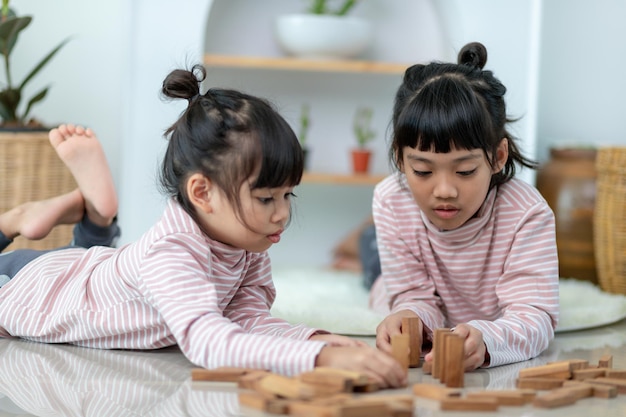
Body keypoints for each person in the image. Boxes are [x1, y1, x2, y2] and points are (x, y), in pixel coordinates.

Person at [0, 65, 407, 388]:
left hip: (89, 270)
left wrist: (316, 341)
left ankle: (95, 220)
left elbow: (248, 321)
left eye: (288, 196)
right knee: (61, 265)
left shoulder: (248, 246)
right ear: (202, 192)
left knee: (90, 261)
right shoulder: (172, 255)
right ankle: (21, 221)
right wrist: (320, 360)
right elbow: (209, 342)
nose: (282, 213)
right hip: (33, 286)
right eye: (266, 198)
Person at [369, 42, 559, 371]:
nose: (444, 191)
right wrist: (408, 318)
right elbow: (412, 295)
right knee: (372, 272)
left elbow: (535, 317)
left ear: (498, 157)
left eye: (465, 171)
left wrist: (488, 340)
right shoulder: (391, 200)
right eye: (423, 171)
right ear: (400, 158)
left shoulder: (527, 214)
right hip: (396, 260)